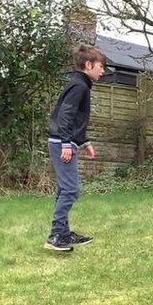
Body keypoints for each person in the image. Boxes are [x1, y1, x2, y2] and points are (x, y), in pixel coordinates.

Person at [44, 44, 106, 251]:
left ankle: (63, 233)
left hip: (66, 141)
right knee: (71, 190)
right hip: (62, 142)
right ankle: (56, 236)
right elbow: (66, 116)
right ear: (88, 64)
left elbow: (76, 119)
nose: (103, 71)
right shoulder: (79, 86)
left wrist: (84, 142)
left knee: (64, 189)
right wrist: (65, 143)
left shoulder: (80, 84)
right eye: (100, 66)